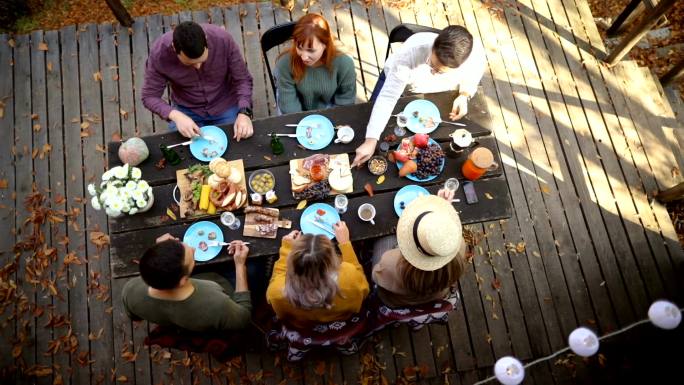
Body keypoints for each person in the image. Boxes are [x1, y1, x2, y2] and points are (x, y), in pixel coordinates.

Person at [351, 25, 486, 167]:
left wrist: (464, 94)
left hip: (433, 94)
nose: (433, 73)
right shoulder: (410, 53)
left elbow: (476, 71)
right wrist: (371, 140)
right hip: (398, 83)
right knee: (367, 120)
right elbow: (388, 97)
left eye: (440, 72)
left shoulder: (474, 54)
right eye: (431, 64)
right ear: (433, 45)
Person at [142, 21, 255, 141]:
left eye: (202, 60)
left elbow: (243, 79)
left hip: (225, 103)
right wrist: (175, 115)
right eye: (189, 63)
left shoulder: (222, 39)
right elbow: (149, 96)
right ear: (175, 48)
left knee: (239, 143)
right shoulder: (159, 54)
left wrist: (244, 112)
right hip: (186, 109)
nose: (198, 66)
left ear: (206, 39)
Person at [122, 233, 252, 332]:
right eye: (191, 255)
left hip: (177, 322)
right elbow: (243, 319)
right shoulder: (216, 303)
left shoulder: (130, 289)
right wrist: (240, 265)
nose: (194, 249)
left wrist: (160, 250)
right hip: (223, 289)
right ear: (183, 280)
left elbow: (134, 317)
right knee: (254, 269)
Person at [371, 189, 466, 307]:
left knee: (382, 240)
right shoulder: (459, 247)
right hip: (431, 300)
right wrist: (442, 214)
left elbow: (375, 275)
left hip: (396, 302)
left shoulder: (391, 263)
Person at [266, 222, 369, 329]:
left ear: (292, 263)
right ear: (333, 259)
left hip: (304, 325)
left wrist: (287, 249)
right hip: (341, 319)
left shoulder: (277, 292)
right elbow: (364, 292)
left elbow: (277, 279)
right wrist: (345, 243)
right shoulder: (350, 275)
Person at [275, 13, 356, 114]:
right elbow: (289, 106)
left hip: (330, 107)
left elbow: (346, 100)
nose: (304, 57)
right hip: (295, 109)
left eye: (311, 50)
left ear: (325, 45)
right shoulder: (284, 64)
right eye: (299, 47)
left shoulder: (344, 63)